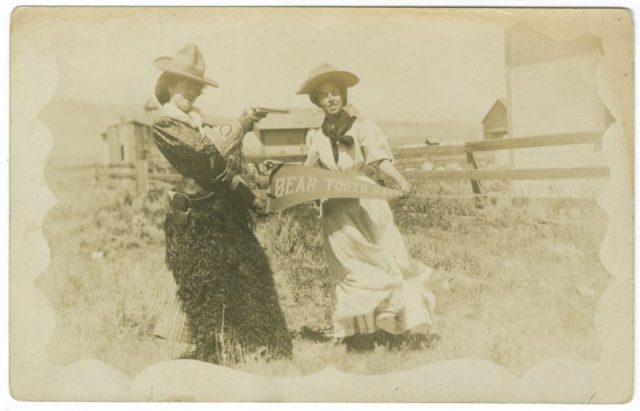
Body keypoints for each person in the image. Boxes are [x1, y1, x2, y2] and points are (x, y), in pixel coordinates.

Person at [150, 44, 292, 363]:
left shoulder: (198, 122)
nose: (193, 91)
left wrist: (250, 198)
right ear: (169, 85)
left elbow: (224, 170)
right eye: (185, 84)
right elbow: (205, 154)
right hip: (196, 220)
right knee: (205, 289)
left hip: (223, 214)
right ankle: (214, 354)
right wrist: (241, 123)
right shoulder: (165, 125)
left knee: (253, 274)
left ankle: (264, 350)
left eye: (196, 86)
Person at [298, 64, 436, 351]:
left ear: (343, 96)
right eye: (324, 96)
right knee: (352, 270)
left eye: (335, 93)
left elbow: (380, 159)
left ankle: (396, 328)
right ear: (317, 102)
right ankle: (360, 334)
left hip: (366, 203)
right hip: (337, 209)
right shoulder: (317, 136)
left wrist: (399, 181)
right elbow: (309, 170)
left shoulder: (363, 127)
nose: (331, 99)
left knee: (385, 261)